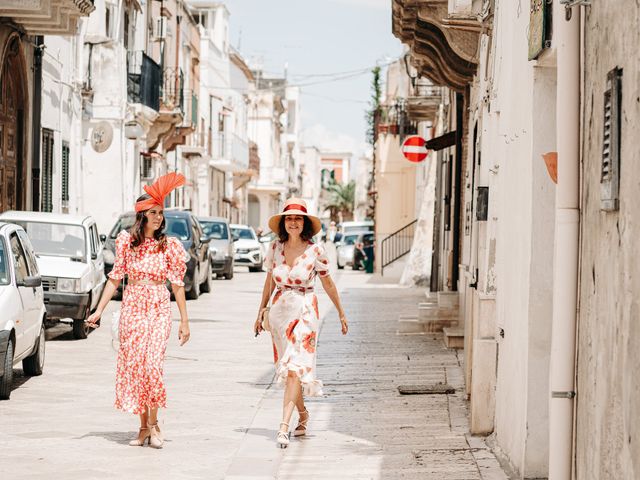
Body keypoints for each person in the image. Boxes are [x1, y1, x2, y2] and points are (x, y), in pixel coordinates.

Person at [86, 172, 190, 449]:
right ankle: (143, 427)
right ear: (142, 216)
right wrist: (98, 311)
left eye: (160, 212)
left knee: (153, 366)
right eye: (153, 212)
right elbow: (114, 278)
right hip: (132, 306)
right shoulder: (127, 244)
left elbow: (178, 285)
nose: (158, 217)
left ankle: (155, 425)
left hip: (158, 307)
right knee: (136, 368)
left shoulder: (169, 246)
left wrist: (184, 321)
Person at [254, 198, 349, 448]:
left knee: (295, 366)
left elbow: (327, 283)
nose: (293, 222)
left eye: (297, 218)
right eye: (289, 218)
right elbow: (269, 282)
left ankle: (283, 426)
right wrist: (260, 312)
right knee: (287, 370)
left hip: (305, 310)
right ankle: (303, 414)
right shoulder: (275, 248)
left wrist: (340, 311)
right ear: (283, 223)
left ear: (304, 223)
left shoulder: (315, 251)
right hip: (279, 313)